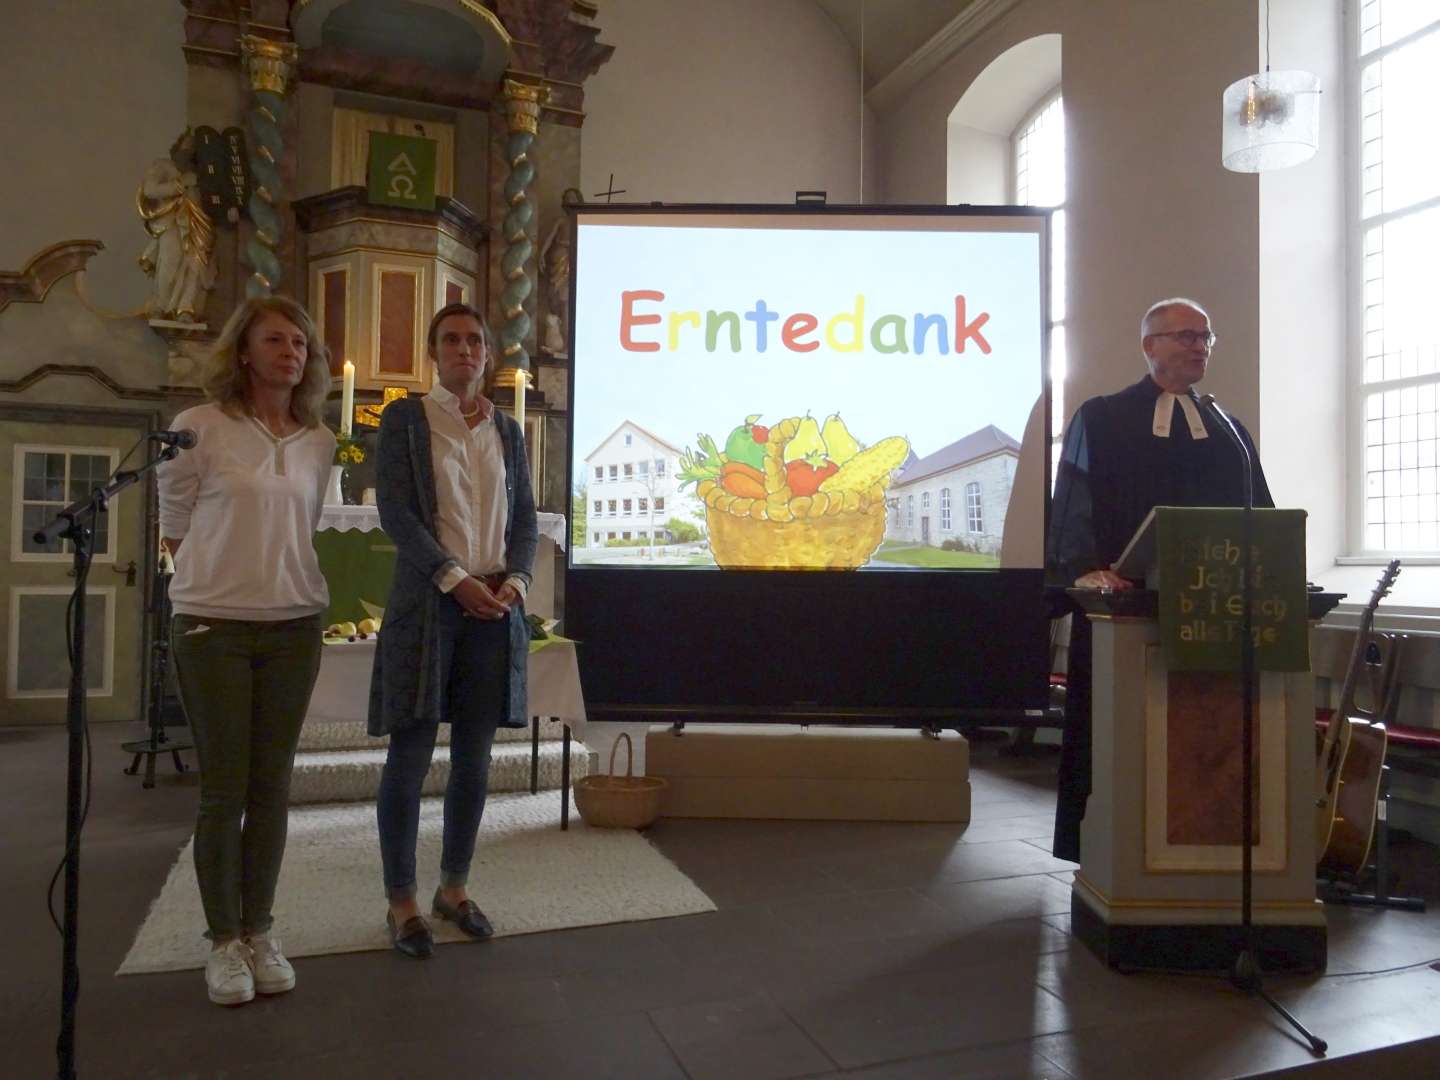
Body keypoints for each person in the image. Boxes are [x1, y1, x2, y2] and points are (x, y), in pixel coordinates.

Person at [1046, 297, 1273, 862]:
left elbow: (1261, 515)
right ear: (1150, 346)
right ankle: (1107, 852)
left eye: (1206, 337)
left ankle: (1204, 852)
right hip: (1121, 614)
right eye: (1185, 336)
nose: (1199, 346)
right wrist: (1083, 569)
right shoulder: (1099, 418)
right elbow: (1071, 503)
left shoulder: (1226, 427)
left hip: (1211, 620)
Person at [158, 296, 335, 1004]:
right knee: (223, 790)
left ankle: (259, 930)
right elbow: (173, 523)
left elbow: (305, 524)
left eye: (300, 342)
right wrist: (215, 582)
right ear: (243, 351)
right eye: (275, 339)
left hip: (294, 623)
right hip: (214, 626)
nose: (290, 352)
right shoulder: (197, 428)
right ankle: (221, 942)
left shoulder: (318, 440)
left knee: (272, 789)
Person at [369, 302, 539, 958]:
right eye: (451, 340)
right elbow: (395, 511)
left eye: (475, 340)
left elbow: (523, 516)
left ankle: (454, 888)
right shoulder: (407, 419)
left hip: (496, 605)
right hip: (431, 604)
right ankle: (403, 899)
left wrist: (515, 582)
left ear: (488, 355)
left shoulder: (508, 431)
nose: (464, 350)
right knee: (409, 757)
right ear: (434, 353)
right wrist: (452, 578)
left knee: (475, 756)